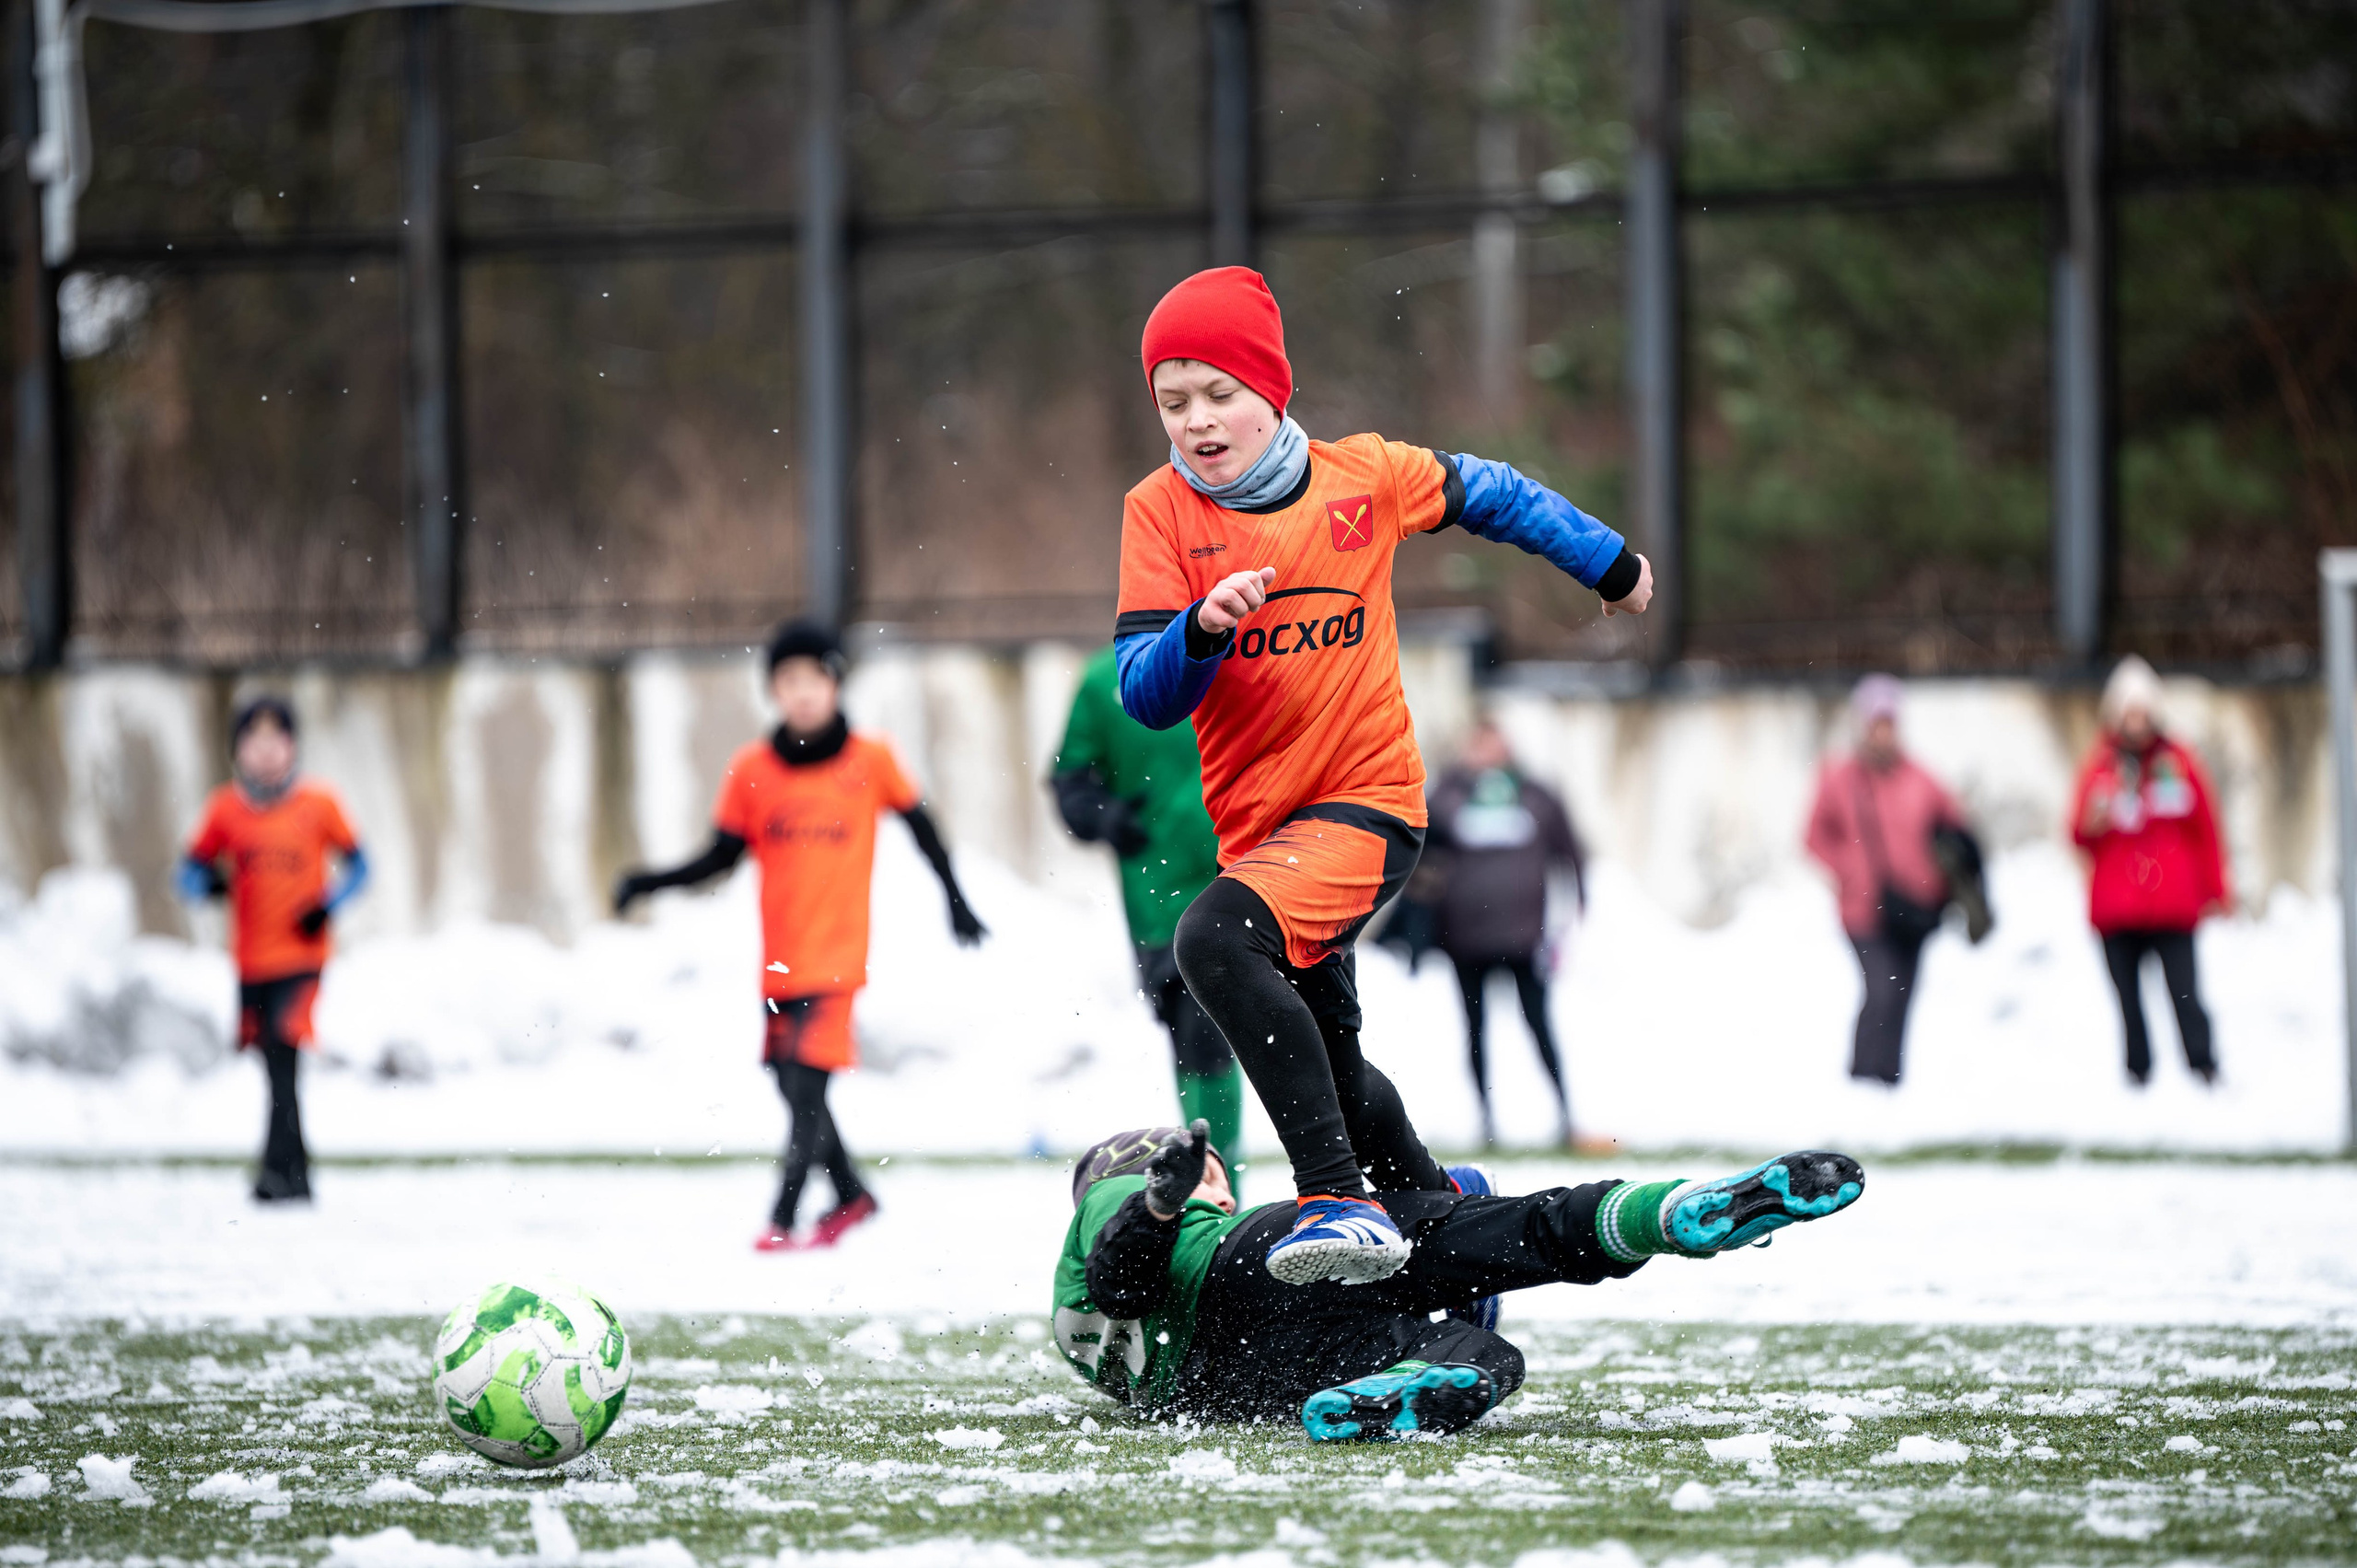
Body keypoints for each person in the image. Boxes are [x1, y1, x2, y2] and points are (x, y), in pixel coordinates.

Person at [1116, 265, 1653, 1286]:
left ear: (1273, 389)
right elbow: (1145, 690)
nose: (1196, 420)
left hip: (1367, 809)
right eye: (1171, 402)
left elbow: (1497, 492)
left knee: (1209, 939)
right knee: (1340, 1076)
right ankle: (1453, 1233)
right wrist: (1200, 628)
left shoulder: (1363, 476)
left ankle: (1336, 1197)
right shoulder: (1158, 514)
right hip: (1265, 841)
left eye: (1218, 393)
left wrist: (1610, 564)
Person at [1053, 1120, 1863, 1439]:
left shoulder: (1074, 1330)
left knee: (1483, 1355)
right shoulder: (1121, 1197)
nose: (1216, 1188)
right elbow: (1124, 1277)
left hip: (1245, 1379)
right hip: (1253, 1269)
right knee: (1503, 1227)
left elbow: (1121, 1302)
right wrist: (1162, 1201)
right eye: (1210, 1178)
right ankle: (1667, 1212)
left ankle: (1388, 1395)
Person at [612, 621, 986, 1251]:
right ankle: (852, 1195)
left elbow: (924, 828)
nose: (804, 692)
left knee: (807, 1087)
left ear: (835, 684)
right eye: (790, 681)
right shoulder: (752, 769)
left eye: (816, 678)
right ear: (774, 692)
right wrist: (651, 880)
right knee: (791, 1084)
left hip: (838, 958)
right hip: (781, 961)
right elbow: (720, 857)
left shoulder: (871, 759)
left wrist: (957, 899)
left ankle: (782, 1220)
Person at [1051, 645, 1247, 1173]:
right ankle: (1210, 1183)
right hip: (1156, 895)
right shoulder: (1103, 680)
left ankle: (1222, 1186)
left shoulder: (1242, 654)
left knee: (1219, 1033)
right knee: (1188, 1033)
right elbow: (1070, 780)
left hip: (1243, 878)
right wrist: (1104, 815)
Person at [178, 695, 371, 1203]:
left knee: (284, 1050)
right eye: (253, 740)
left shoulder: (318, 804)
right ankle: (290, 1172)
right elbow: (187, 873)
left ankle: (278, 1174)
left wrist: (327, 905)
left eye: (276, 739)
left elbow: (361, 866)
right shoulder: (225, 809)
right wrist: (210, 885)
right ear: (237, 750)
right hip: (251, 960)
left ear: (292, 746)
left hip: (303, 958)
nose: (266, 752)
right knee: (272, 1062)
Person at [1425, 718, 1590, 1151]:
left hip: (1524, 938)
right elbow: (1421, 839)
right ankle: (1486, 1120)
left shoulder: (1535, 795)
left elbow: (1572, 852)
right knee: (1475, 1031)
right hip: (1465, 939)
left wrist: (1577, 910)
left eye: (1492, 743)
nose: (1486, 753)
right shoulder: (1450, 794)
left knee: (1539, 1025)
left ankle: (1565, 1115)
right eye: (1477, 745)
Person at [2070, 656, 2228, 1086]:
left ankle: (2203, 1066)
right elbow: (2077, 833)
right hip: (2117, 907)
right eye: (2128, 710)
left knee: (2185, 992)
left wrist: (2216, 889)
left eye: (2142, 710)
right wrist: (2094, 819)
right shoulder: (2100, 766)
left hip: (2172, 904)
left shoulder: (2178, 761)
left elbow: (2206, 829)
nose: (2135, 720)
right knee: (2128, 999)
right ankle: (2138, 1073)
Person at [1804, 675, 1968, 1086]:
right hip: (1863, 908)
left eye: (1889, 722)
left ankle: (1890, 1082)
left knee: (1903, 995)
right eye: (1876, 722)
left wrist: (1945, 872)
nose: (1883, 731)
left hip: (1914, 909)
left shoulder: (1919, 777)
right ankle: (1863, 1078)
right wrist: (1848, 869)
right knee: (1881, 990)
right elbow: (1813, 836)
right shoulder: (1840, 777)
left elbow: (1955, 825)